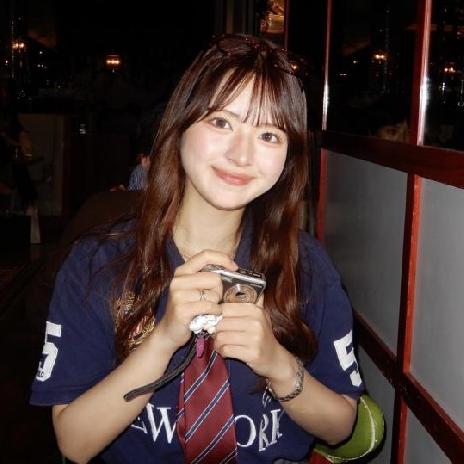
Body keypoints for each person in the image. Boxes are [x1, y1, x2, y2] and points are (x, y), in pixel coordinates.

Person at [30, 34, 364, 463]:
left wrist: (277, 364)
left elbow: (340, 426)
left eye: (268, 135)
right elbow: (74, 444)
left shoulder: (307, 266)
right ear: (180, 127)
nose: (242, 155)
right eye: (222, 122)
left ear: (288, 158)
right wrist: (162, 340)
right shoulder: (98, 263)